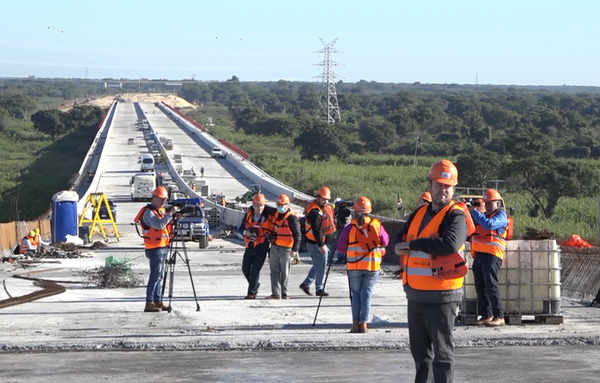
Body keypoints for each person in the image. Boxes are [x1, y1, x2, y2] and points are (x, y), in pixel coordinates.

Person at [393, 159, 469, 383]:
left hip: (442, 295)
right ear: (430, 185)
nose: (442, 190)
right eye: (438, 184)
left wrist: (413, 245)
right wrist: (401, 243)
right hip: (415, 294)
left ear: (453, 188)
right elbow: (400, 237)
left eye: (447, 186)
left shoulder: (456, 215)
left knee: (442, 355)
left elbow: (449, 244)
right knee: (420, 356)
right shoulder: (419, 213)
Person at [335, 196, 389, 333]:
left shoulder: (350, 228)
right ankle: (364, 324)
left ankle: (355, 324)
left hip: (354, 267)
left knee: (356, 294)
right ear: (369, 212)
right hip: (372, 266)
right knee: (367, 294)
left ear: (354, 212)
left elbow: (340, 248)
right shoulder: (376, 225)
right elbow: (386, 241)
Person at [133, 186, 181, 313]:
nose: (163, 202)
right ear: (154, 198)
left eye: (164, 199)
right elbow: (158, 224)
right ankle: (149, 302)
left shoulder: (160, 211)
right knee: (155, 276)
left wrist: (176, 217)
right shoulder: (148, 212)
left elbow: (166, 225)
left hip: (162, 246)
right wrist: (170, 213)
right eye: (161, 199)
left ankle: (158, 301)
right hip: (154, 248)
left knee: (160, 276)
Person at [469, 188, 509, 327]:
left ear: (498, 204)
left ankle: (499, 316)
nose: (488, 205)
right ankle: (486, 315)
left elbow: (489, 225)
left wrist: (474, 212)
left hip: (493, 254)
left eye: (491, 203)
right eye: (486, 203)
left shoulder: (501, 216)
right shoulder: (481, 215)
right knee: (480, 286)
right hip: (480, 254)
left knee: (491, 285)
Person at [261, 194, 301, 300]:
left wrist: (295, 250)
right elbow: (266, 208)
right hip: (275, 246)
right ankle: (275, 293)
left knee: (285, 272)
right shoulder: (277, 214)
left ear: (287, 205)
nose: (279, 206)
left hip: (287, 249)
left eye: (282, 204)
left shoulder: (292, 218)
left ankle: (285, 293)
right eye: (278, 204)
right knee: (274, 270)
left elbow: (297, 234)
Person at [300, 186, 336, 296]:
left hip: (319, 243)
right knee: (321, 265)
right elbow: (317, 230)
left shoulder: (322, 208)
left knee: (318, 264)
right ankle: (319, 288)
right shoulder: (315, 212)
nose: (326, 202)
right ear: (318, 198)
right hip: (316, 244)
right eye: (323, 199)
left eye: (327, 200)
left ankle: (306, 284)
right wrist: (321, 245)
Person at [239, 194, 277, 299]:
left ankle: (251, 293)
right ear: (253, 205)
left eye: (262, 206)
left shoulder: (268, 216)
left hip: (262, 246)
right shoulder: (249, 214)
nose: (259, 208)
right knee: (245, 269)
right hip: (250, 245)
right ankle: (255, 285)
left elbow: (278, 212)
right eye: (257, 206)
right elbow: (240, 228)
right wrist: (246, 232)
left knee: (256, 269)